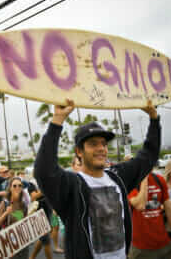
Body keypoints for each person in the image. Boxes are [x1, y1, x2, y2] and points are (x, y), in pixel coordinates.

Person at [34, 99, 161, 259]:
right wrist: (57, 120)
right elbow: (44, 171)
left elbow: (148, 156)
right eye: (93, 144)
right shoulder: (72, 185)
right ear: (79, 151)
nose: (101, 148)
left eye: (103, 144)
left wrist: (154, 118)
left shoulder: (118, 177)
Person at [128, 170, 171, 259]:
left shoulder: (159, 180)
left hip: (164, 244)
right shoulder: (130, 181)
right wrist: (144, 177)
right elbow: (140, 205)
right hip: (141, 248)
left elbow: (170, 211)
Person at [0, 177, 30, 259]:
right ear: (10, 188)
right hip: (9, 242)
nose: (17, 188)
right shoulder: (5, 203)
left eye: (20, 185)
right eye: (14, 186)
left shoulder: (23, 204)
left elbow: (25, 221)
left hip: (22, 241)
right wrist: (6, 213)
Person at [28, 181, 53, 259]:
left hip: (48, 210)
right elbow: (33, 197)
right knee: (46, 240)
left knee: (43, 239)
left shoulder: (47, 180)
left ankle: (32, 257)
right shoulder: (32, 183)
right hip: (38, 214)